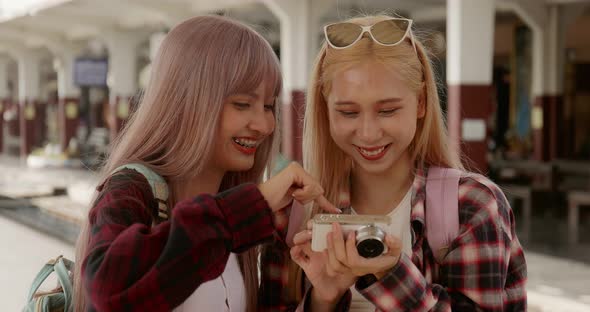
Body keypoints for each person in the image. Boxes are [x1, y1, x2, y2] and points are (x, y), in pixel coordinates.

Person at [72, 15, 339, 312]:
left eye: (268, 106)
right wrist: (254, 204)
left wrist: (323, 299)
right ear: (187, 100)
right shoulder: (131, 191)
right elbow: (110, 294)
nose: (265, 125)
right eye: (242, 104)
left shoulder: (238, 214)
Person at [278, 15, 527, 311]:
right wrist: (323, 299)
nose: (369, 133)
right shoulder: (295, 213)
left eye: (388, 110)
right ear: (325, 110)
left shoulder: (472, 205)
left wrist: (391, 274)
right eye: (348, 112)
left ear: (421, 103)